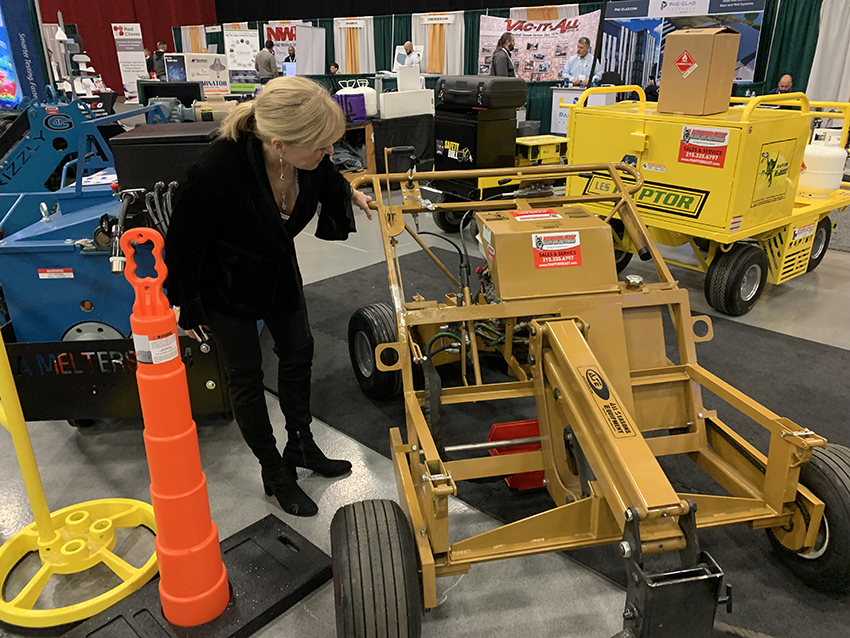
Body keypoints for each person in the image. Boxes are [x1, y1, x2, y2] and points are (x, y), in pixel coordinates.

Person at [164, 77, 373, 517]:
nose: (329, 153)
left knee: (299, 352)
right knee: (246, 375)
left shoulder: (307, 159)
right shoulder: (216, 171)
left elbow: (327, 173)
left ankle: (301, 444)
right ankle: (273, 470)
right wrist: (188, 302)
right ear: (279, 144)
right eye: (320, 146)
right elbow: (183, 244)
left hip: (276, 269)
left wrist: (349, 193)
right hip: (225, 284)